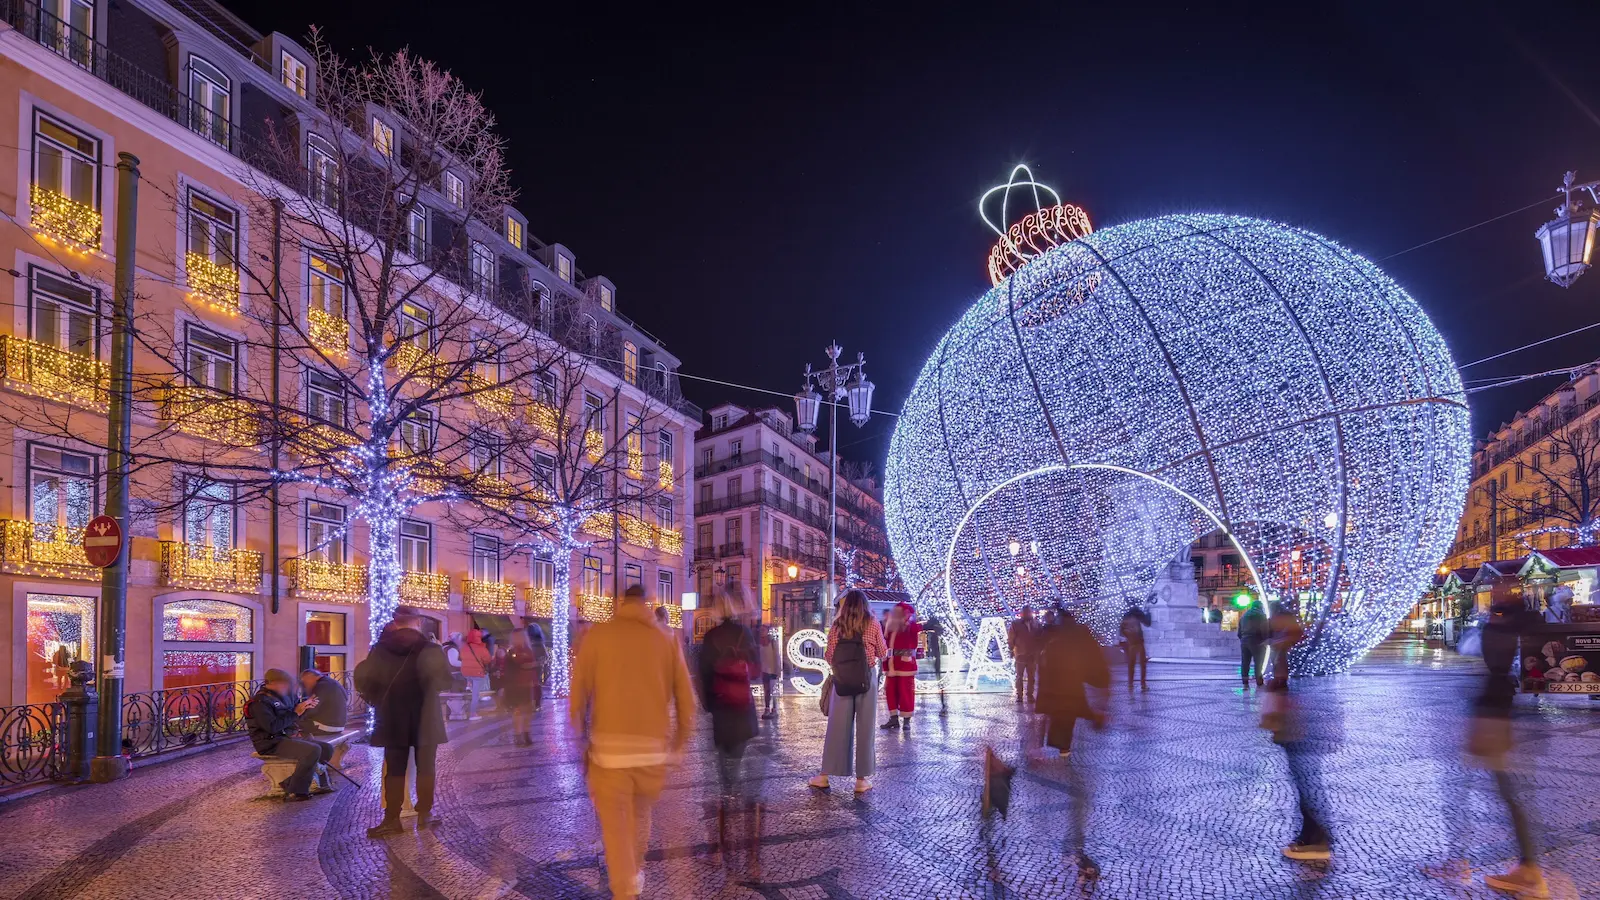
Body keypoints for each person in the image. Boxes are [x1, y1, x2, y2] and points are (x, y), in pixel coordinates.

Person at [572, 584, 696, 900]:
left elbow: (577, 694)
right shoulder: (666, 639)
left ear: (620, 603)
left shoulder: (598, 636)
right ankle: (635, 871)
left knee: (616, 828)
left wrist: (580, 736)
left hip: (609, 750)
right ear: (647, 603)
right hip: (651, 750)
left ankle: (625, 888)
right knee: (640, 815)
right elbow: (686, 697)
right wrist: (679, 742)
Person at [1468, 598, 1548, 896]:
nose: (1492, 616)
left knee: (1511, 796)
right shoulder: (1517, 630)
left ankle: (1529, 872)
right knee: (1511, 796)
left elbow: (1495, 659)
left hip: (1501, 719)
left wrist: (1496, 621)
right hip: (1504, 717)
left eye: (1497, 612)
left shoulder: (1505, 635)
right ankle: (1527, 868)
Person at [356, 611, 453, 836]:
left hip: (392, 716)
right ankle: (425, 814)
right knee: (426, 768)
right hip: (425, 717)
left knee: (395, 769)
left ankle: (392, 818)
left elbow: (367, 680)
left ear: (395, 623)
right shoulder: (430, 649)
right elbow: (445, 681)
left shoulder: (380, 649)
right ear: (418, 622)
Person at [1259, 606, 1339, 861]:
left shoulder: (1295, 648)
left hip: (1301, 726)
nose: (1271, 622)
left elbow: (1292, 686)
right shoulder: (1294, 645)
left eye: (1274, 617)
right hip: (1300, 725)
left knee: (1307, 783)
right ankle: (1311, 836)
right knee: (1306, 782)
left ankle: (1317, 840)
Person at [1035, 606, 1109, 876]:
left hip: (1064, 723)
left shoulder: (1053, 644)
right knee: (1079, 789)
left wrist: (1037, 740)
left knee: (1078, 787)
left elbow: (1045, 692)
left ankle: (1075, 845)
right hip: (1071, 721)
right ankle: (1076, 847)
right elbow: (1098, 675)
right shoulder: (1075, 641)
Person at [697, 585, 761, 849]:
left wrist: (708, 704)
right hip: (742, 703)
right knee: (738, 749)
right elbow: (756, 669)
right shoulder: (744, 633)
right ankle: (732, 786)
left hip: (721, 704)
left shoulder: (710, 637)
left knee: (722, 752)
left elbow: (702, 674)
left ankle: (727, 789)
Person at [809, 589, 889, 793]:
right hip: (866, 679)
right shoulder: (872, 623)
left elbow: (829, 655)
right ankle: (861, 780)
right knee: (865, 728)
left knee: (837, 727)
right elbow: (882, 652)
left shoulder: (837, 625)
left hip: (842, 679)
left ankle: (825, 775)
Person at [246, 668, 333, 802]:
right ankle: (299, 791)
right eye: (284, 684)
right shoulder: (260, 702)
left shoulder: (284, 697)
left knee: (327, 748)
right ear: (273, 683)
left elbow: (293, 716)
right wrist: (295, 713)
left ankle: (290, 783)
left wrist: (305, 708)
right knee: (312, 750)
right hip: (270, 742)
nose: (287, 688)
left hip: (286, 737)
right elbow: (271, 727)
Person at [881, 602, 922, 730]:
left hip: (905, 665)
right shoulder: (888, 625)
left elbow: (918, 629)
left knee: (906, 693)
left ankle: (906, 721)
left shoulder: (910, 626)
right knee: (891, 693)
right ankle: (893, 719)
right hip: (890, 664)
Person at [297, 668, 351, 766]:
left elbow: (312, 708)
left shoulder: (321, 686)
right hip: (340, 725)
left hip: (327, 726)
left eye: (305, 682)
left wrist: (298, 714)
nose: (305, 686)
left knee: (294, 724)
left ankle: (309, 758)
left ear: (310, 677)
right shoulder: (333, 683)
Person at [503, 629, 541, 745]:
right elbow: (520, 663)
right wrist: (534, 664)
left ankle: (526, 733)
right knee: (518, 711)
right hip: (517, 685)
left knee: (528, 710)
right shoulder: (513, 651)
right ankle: (519, 735)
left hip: (529, 684)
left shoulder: (528, 650)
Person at [457, 628, 493, 721]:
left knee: (470, 690)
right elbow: (488, 660)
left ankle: (468, 687)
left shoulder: (464, 647)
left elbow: (461, 657)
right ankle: (473, 714)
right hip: (476, 673)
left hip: (465, 672)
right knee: (475, 694)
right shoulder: (481, 648)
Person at [1008, 606, 1040, 703]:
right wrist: (1011, 650)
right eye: (1025, 612)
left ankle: (1030, 695)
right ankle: (1019, 696)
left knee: (1031, 677)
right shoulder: (1016, 624)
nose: (1027, 614)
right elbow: (1011, 638)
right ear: (1022, 613)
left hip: (1032, 655)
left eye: (1029, 612)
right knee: (1019, 676)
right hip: (1020, 654)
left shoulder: (1036, 624)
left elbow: (1040, 637)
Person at [1118, 601, 1152, 691]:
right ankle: (1143, 684)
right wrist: (1148, 613)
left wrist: (1128, 636)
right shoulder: (1138, 613)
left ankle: (1130, 684)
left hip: (1131, 643)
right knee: (1142, 664)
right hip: (1139, 642)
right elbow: (1148, 623)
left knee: (1131, 664)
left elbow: (1121, 629)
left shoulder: (1127, 615)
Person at [1238, 598, 1269, 688]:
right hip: (1257, 640)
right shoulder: (1261, 615)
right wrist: (1265, 639)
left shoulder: (1244, 616)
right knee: (1258, 662)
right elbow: (1264, 629)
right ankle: (1259, 681)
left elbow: (1239, 632)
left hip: (1244, 640)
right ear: (1260, 607)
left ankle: (1245, 682)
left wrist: (1243, 638)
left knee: (1245, 662)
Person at [923, 613, 948, 715]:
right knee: (939, 680)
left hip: (935, 657)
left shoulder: (932, 630)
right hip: (935, 657)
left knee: (939, 680)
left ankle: (943, 704)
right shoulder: (935, 630)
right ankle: (943, 704)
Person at [758, 624, 782, 720]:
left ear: (767, 631)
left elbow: (777, 656)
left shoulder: (772, 641)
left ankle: (774, 709)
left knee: (773, 691)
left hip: (772, 670)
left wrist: (778, 669)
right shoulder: (759, 642)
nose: (761, 631)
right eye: (761, 630)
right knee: (766, 690)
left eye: (763, 629)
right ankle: (767, 708)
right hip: (764, 670)